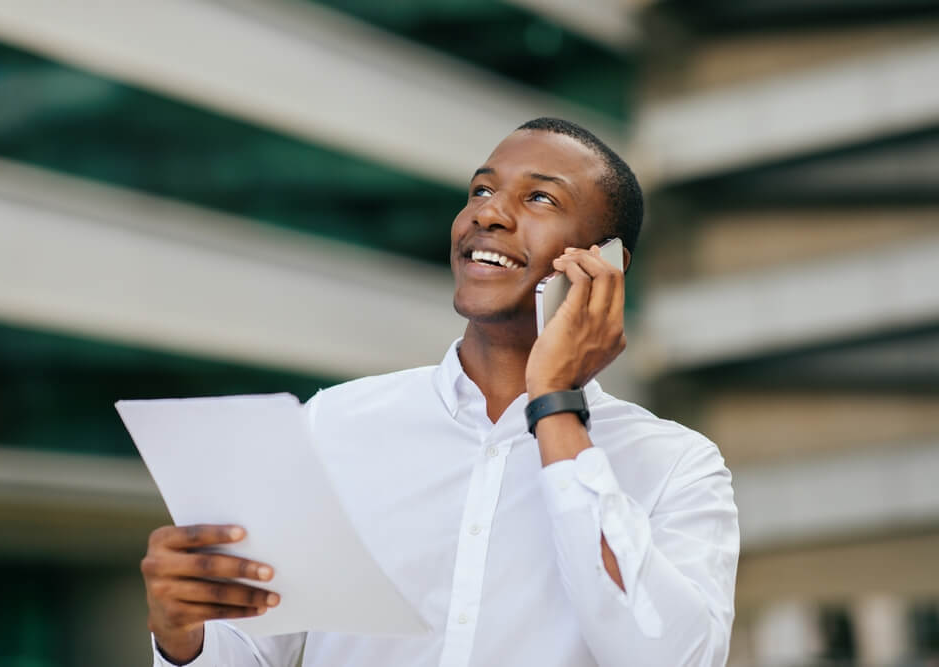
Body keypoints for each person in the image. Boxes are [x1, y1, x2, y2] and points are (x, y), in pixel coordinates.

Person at [140, 118, 739, 666]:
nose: (489, 214)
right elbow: (254, 651)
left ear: (607, 264)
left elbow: (672, 658)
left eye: (539, 197)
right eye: (481, 190)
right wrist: (184, 636)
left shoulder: (677, 466)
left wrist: (554, 402)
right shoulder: (334, 424)